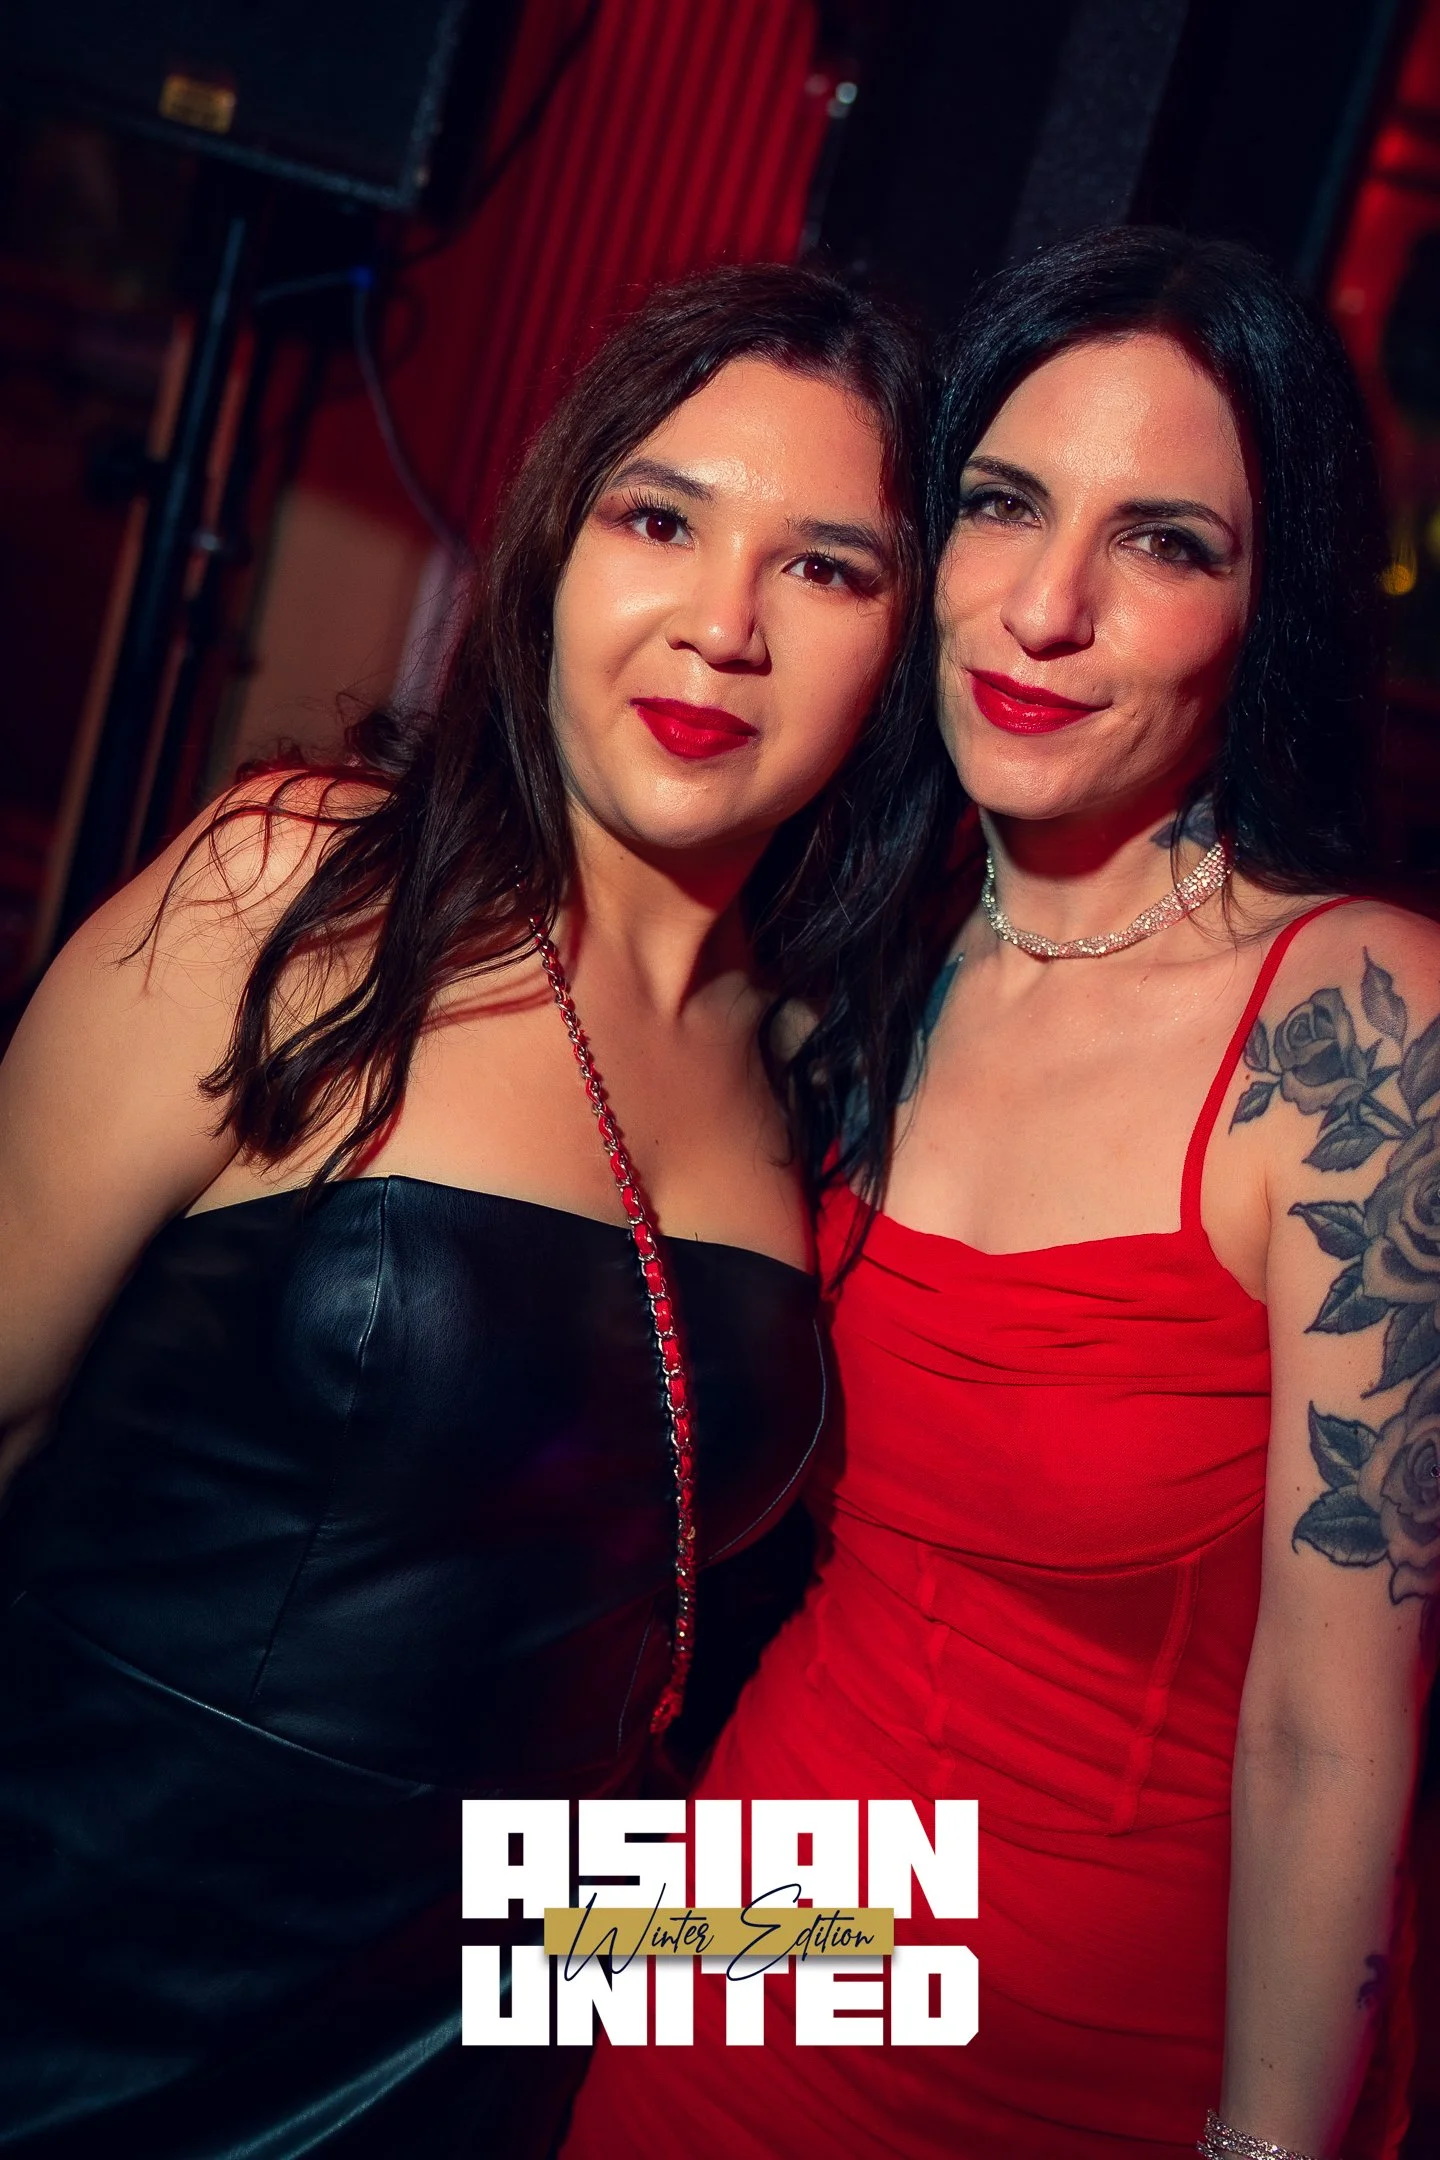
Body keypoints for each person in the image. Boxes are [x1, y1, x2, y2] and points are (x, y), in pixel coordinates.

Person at [0, 263, 941, 2157]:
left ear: (906, 648)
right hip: (82, 1991)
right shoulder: (301, 892)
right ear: (553, 546)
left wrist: (930, 1965)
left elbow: (614, 1724)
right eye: (660, 520)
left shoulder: (823, 1074)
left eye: (826, 568)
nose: (723, 626)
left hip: (487, 2037)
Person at [565, 230, 1436, 2159]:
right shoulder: (863, 942)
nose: (1046, 609)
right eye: (1003, 503)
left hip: (1114, 2059)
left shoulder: (1358, 1027)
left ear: (1270, 606)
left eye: (1164, 543)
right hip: (754, 1932)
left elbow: (1335, 1726)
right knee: (422, 1974)